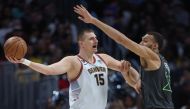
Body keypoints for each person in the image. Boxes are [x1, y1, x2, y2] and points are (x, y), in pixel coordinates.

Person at [6, 28, 140, 109]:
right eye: (91, 39)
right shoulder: (72, 61)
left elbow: (124, 68)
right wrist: (24, 60)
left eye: (96, 38)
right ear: (81, 43)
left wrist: (136, 80)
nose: (96, 41)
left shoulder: (103, 58)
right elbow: (49, 70)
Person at [74, 5, 174, 109]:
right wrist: (125, 72)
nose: (140, 43)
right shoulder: (159, 65)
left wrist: (93, 20)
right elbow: (137, 85)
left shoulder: (152, 55)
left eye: (145, 41)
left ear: (155, 46)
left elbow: (122, 40)